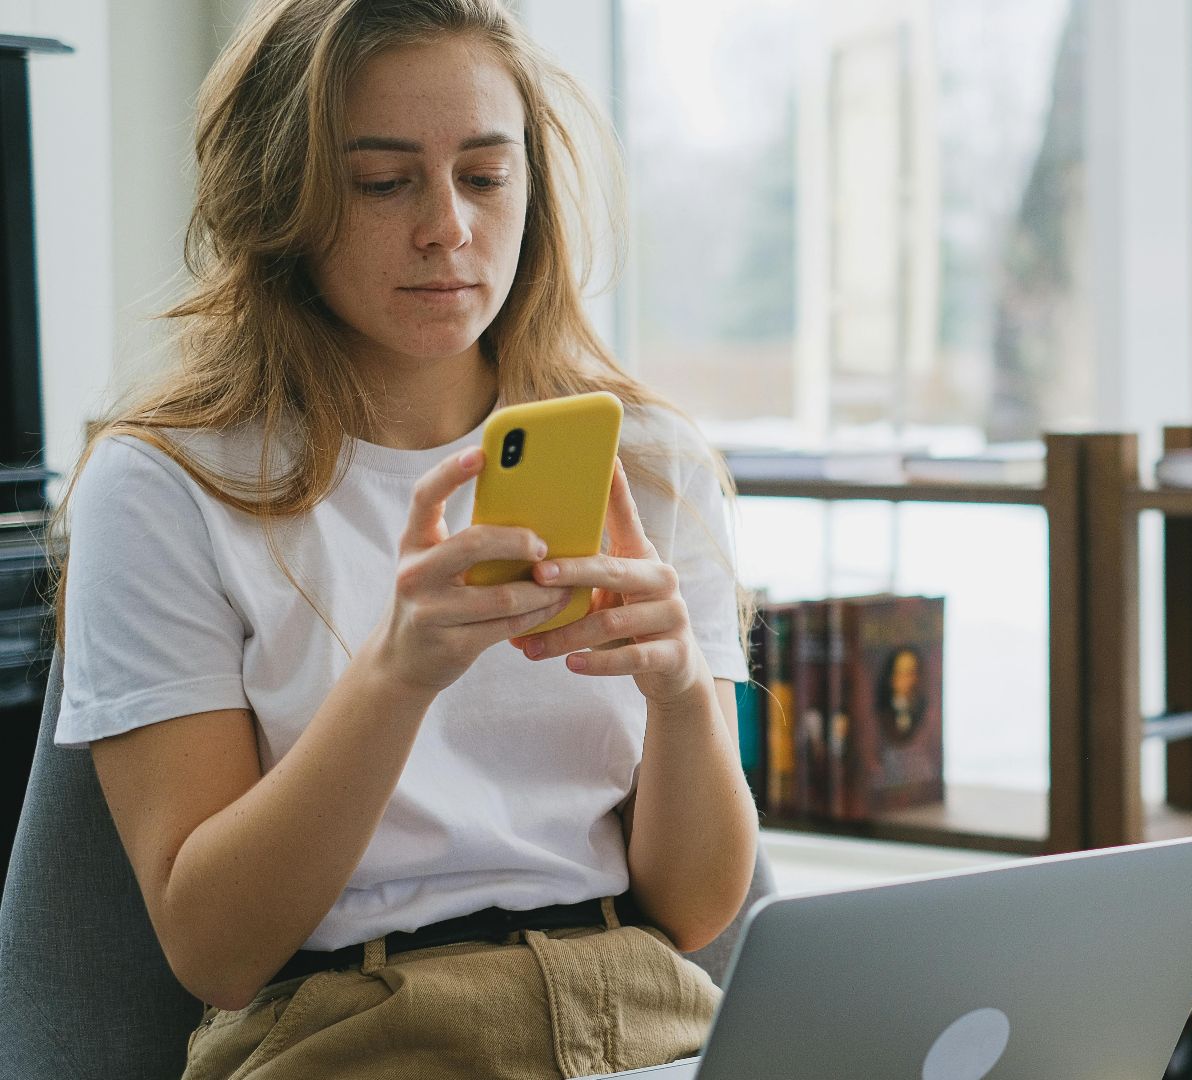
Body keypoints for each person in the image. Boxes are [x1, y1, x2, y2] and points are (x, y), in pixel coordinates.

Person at [47, 1, 758, 1076]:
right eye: (383, 183)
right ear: (280, 198)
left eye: (484, 176)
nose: (448, 228)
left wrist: (678, 694)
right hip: (354, 1031)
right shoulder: (165, 485)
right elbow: (216, 950)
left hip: (645, 1018)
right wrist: (397, 672)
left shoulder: (649, 461)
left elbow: (700, 911)